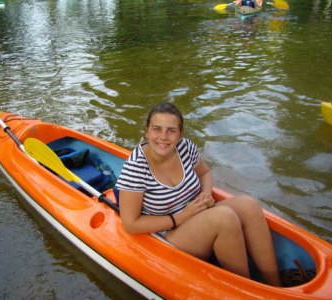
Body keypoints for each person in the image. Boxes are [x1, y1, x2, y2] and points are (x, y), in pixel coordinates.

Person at [115, 103, 281, 286]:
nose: (163, 137)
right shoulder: (136, 167)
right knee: (224, 218)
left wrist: (206, 192)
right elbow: (131, 224)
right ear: (147, 131)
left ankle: (275, 285)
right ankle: (248, 290)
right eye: (156, 129)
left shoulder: (186, 148)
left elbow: (204, 173)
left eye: (171, 130)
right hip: (165, 236)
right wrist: (180, 217)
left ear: (180, 134)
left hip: (196, 216)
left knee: (249, 205)